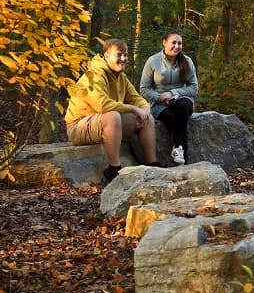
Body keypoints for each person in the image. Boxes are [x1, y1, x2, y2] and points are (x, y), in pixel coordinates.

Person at [65, 39, 158, 183]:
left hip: (103, 122)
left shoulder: (121, 76)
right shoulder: (95, 75)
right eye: (119, 54)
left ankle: (152, 165)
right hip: (78, 126)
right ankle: (114, 169)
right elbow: (102, 105)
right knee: (113, 116)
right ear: (106, 56)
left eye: (125, 55)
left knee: (146, 118)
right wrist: (133, 108)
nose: (123, 59)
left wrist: (144, 108)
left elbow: (136, 98)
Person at [140, 31, 199, 165]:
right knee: (177, 119)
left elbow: (194, 88)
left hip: (182, 100)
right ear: (164, 42)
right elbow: (144, 88)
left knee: (183, 108)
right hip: (159, 104)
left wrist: (172, 93)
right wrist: (160, 97)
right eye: (174, 42)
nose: (177, 46)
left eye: (180, 43)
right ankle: (182, 156)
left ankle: (178, 149)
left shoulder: (187, 61)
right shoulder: (153, 61)